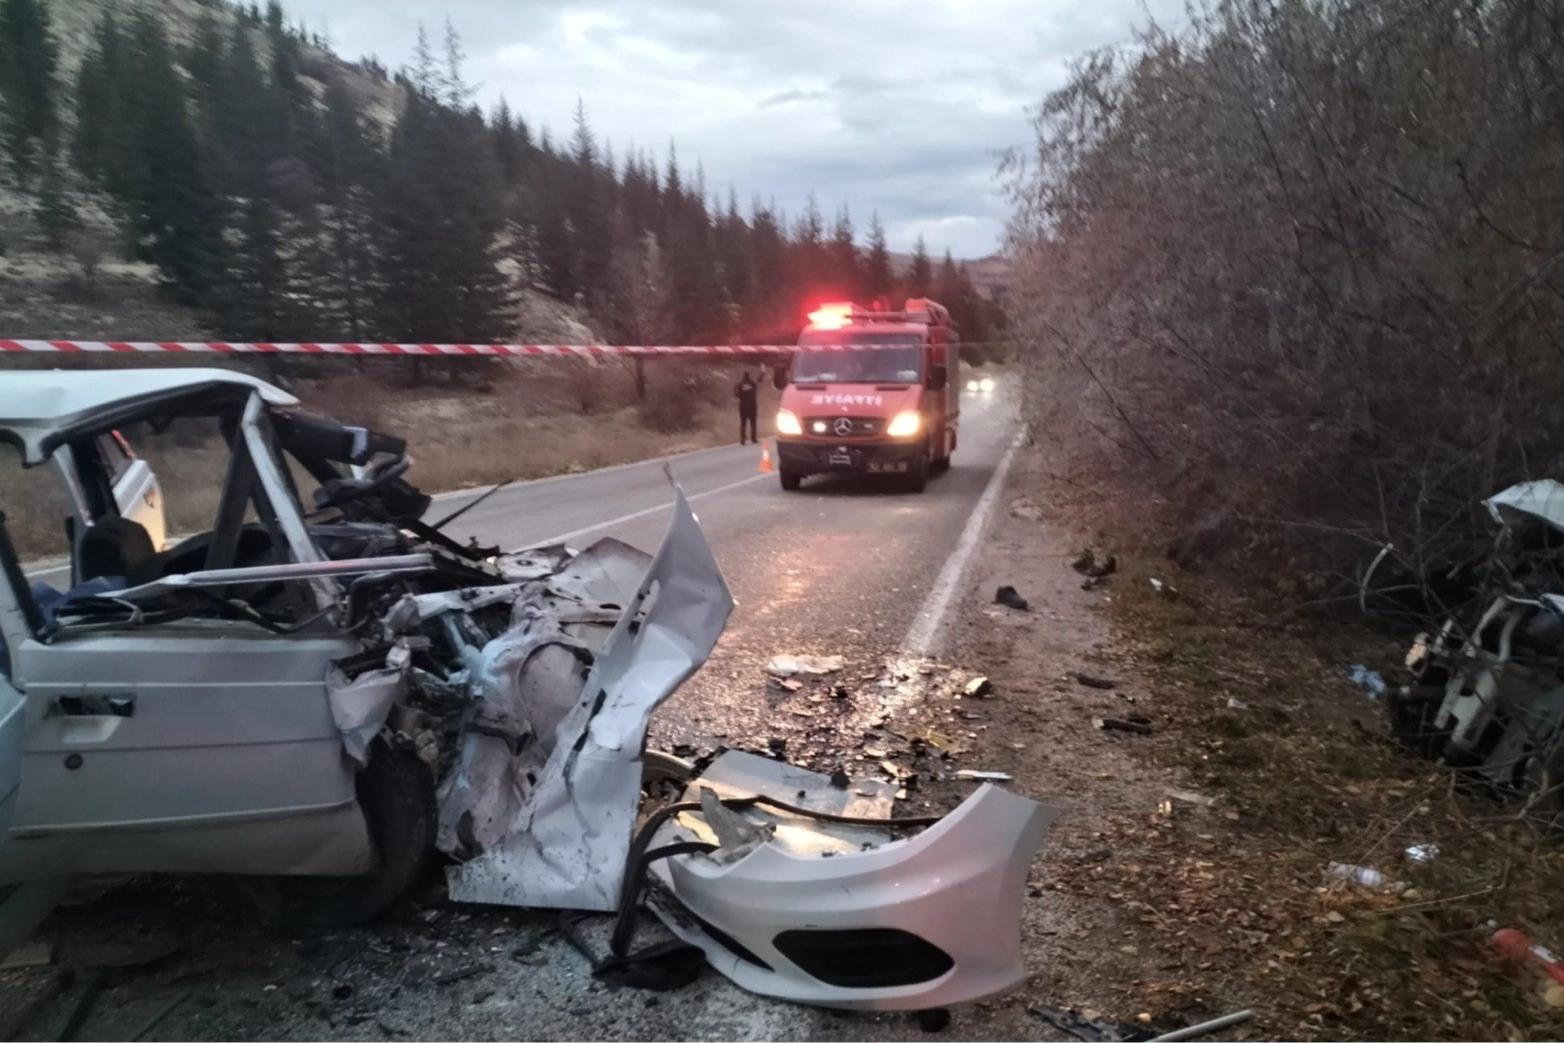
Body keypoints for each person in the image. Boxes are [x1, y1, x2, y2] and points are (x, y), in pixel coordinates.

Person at [735, 370, 759, 445]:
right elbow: (756, 388)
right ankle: (753, 438)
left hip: (743, 406)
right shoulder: (752, 383)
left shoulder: (739, 384)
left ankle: (742, 440)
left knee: (743, 423)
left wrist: (742, 395)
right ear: (749, 375)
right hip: (752, 406)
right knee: (753, 423)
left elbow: (737, 394)